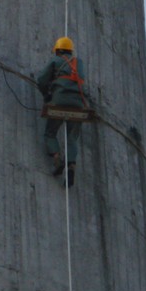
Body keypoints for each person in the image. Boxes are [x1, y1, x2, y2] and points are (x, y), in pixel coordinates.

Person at [37, 36, 87, 187]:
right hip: (78, 103)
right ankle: (71, 166)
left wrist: (46, 95)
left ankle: (57, 158)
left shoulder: (55, 61)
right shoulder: (80, 63)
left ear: (57, 51)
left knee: (50, 133)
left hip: (60, 100)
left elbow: (42, 80)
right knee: (72, 137)